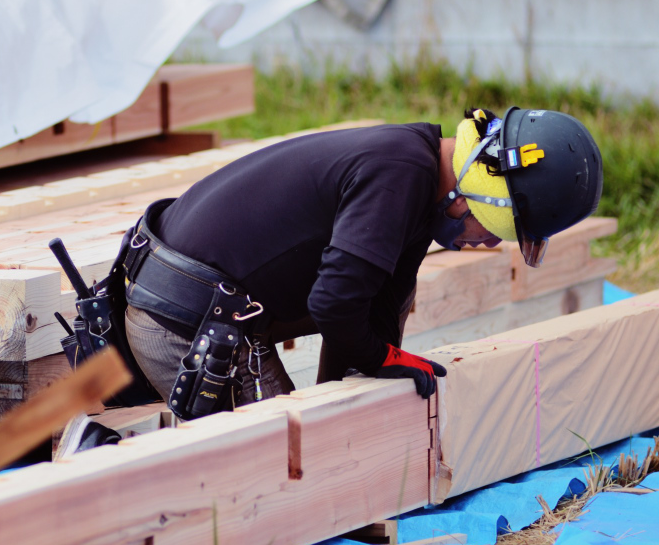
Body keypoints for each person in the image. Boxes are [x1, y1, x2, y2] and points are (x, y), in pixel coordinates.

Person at [112, 108, 603, 419]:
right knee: (288, 468)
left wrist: (373, 380)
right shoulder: (398, 175)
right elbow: (334, 304)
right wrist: (380, 360)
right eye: (495, 230)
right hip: (188, 324)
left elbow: (379, 301)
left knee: (388, 293)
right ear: (470, 197)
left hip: (223, 304)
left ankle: (343, 410)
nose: (489, 243)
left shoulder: (420, 168)